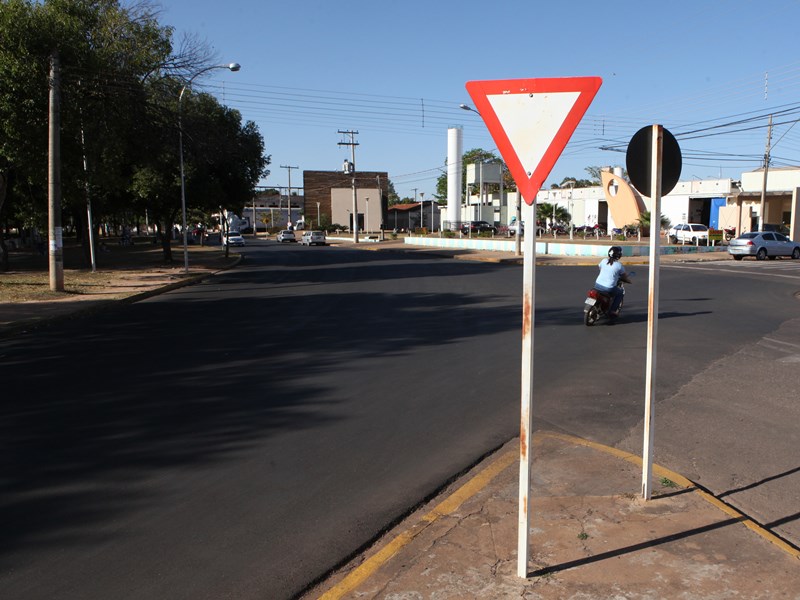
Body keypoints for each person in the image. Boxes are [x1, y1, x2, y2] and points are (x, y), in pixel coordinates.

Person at [594, 246, 631, 317]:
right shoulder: (619, 266)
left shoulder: (603, 260)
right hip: (608, 288)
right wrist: (629, 281)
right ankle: (612, 310)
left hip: (597, 284)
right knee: (620, 293)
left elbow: (600, 268)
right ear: (619, 255)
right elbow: (624, 277)